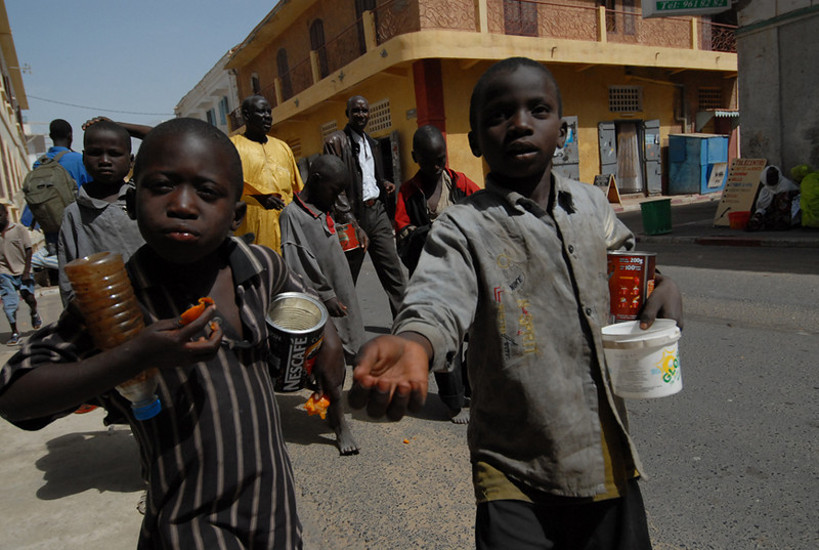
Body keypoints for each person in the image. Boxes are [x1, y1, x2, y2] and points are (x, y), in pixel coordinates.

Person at [348, 58, 684, 549]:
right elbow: (436, 298)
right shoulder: (462, 227)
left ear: (562, 131)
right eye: (500, 114)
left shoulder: (591, 205)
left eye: (538, 110)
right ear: (476, 138)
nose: (521, 123)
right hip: (511, 473)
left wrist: (661, 282)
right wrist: (415, 342)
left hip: (601, 456)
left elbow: (626, 265)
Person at [0, 118, 344, 548]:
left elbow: (304, 301)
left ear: (235, 214)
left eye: (207, 192)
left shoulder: (260, 268)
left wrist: (328, 340)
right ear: (131, 202)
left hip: (274, 508)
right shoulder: (116, 305)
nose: (182, 204)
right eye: (162, 186)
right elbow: (16, 396)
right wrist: (134, 357)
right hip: (190, 523)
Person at [394, 124, 480, 423]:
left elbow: (483, 208)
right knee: (448, 340)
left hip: (467, 272)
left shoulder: (459, 182)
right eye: (430, 160)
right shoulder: (408, 192)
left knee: (479, 335)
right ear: (416, 157)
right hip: (432, 276)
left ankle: (472, 387)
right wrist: (434, 230)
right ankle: (453, 402)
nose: (437, 165)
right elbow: (404, 235)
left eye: (441, 158)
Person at [279, 154, 363, 455]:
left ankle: (324, 406)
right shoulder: (292, 215)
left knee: (339, 363)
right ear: (315, 181)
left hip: (339, 293)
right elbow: (297, 263)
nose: (338, 197)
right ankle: (340, 426)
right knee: (330, 358)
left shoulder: (322, 208)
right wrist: (326, 296)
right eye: (334, 190)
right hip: (317, 300)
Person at [323, 95, 406, 317]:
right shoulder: (336, 142)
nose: (361, 115)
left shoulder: (372, 142)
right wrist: (349, 219)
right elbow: (335, 185)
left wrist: (383, 183)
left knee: (394, 274)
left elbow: (367, 176)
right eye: (356, 111)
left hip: (376, 212)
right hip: (350, 218)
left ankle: (406, 326)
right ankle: (343, 334)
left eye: (364, 111)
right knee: (346, 277)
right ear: (347, 114)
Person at [57, 120, 144, 305]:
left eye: (114, 153)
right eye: (95, 153)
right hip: (106, 311)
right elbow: (68, 277)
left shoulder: (141, 198)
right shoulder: (75, 214)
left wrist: (117, 125)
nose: (104, 160)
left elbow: (161, 139)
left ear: (131, 161)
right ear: (83, 158)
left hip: (151, 303)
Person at [230, 95, 302, 254]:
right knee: (261, 271)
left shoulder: (283, 147)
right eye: (262, 112)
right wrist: (258, 196)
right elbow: (226, 183)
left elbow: (297, 188)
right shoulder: (232, 147)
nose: (268, 116)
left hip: (287, 229)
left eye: (269, 112)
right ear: (247, 115)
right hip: (253, 229)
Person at [22, 119, 92, 254]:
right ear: (70, 136)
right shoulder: (79, 160)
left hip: (52, 233)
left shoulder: (39, 164)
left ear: (51, 136)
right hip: (80, 228)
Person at [0, 202, 42, 345]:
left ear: (6, 214)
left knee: (29, 297)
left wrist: (26, 271)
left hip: (22, 270)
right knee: (9, 305)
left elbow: (29, 250)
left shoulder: (18, 229)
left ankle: (34, 312)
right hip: (4, 273)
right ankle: (15, 332)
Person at [746, 165, 801, 231]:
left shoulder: (786, 186)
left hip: (787, 215)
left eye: (774, 176)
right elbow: (762, 206)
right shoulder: (765, 190)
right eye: (770, 176)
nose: (772, 179)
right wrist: (759, 214)